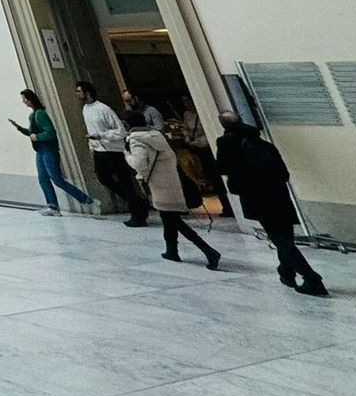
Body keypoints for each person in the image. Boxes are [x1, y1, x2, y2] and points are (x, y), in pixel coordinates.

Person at [216, 113, 325, 296]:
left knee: (279, 239)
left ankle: (311, 277)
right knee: (285, 237)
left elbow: (222, 168)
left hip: (255, 195)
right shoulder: (261, 141)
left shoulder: (226, 143)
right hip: (279, 193)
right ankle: (286, 272)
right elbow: (283, 173)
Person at [126, 126, 218, 268]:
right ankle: (172, 251)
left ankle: (208, 251)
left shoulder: (136, 141)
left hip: (159, 186)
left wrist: (127, 155)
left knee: (173, 220)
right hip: (172, 183)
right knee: (168, 219)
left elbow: (139, 164)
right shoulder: (159, 138)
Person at [10, 89, 95, 215]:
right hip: (40, 150)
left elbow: (50, 132)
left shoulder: (40, 114)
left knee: (57, 179)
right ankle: (53, 206)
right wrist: (20, 128)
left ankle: (87, 201)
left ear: (30, 99)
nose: (23, 102)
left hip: (48, 150)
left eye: (24, 99)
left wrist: (37, 137)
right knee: (43, 179)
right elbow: (32, 133)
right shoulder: (33, 115)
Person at [77, 81, 149, 226]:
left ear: (87, 93)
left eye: (79, 91)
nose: (77, 95)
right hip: (99, 150)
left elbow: (120, 131)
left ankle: (137, 213)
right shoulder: (85, 109)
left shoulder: (104, 109)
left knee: (125, 182)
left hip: (113, 151)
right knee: (103, 177)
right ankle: (137, 202)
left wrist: (102, 136)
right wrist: (92, 145)